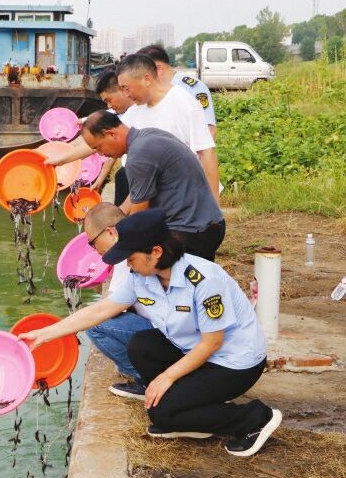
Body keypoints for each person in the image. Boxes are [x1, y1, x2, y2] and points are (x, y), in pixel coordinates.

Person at [18, 209, 281, 457]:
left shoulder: (204, 280)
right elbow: (100, 311)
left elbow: (212, 343)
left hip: (234, 363)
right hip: (193, 350)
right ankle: (188, 411)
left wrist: (167, 377)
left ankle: (254, 418)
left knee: (161, 414)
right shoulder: (141, 277)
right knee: (141, 346)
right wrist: (44, 335)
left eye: (131, 259)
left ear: (155, 252)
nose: (128, 266)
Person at [82, 110, 225, 261]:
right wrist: (112, 218)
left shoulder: (138, 158)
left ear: (110, 134)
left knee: (144, 261)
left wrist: (111, 250)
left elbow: (138, 222)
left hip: (193, 233)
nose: (100, 154)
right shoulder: (148, 135)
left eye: (98, 147)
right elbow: (138, 194)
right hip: (211, 222)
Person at [115, 53, 220, 201]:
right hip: (150, 194)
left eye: (126, 88)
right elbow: (110, 134)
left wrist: (214, 203)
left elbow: (207, 152)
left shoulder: (183, 103)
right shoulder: (135, 111)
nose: (125, 94)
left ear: (146, 79)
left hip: (182, 195)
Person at [84, 203, 153, 399]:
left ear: (110, 232)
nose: (94, 249)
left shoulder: (127, 254)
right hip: (171, 328)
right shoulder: (142, 239)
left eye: (92, 243)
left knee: (94, 325)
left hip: (165, 332)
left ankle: (146, 378)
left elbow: (108, 308)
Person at [137, 44, 217, 139]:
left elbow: (209, 130)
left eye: (141, 74)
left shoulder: (192, 88)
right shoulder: (148, 92)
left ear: (158, 69)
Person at [89, 70, 134, 204]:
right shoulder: (125, 113)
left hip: (133, 174)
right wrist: (100, 179)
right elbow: (113, 151)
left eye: (109, 100)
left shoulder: (130, 118)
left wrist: (60, 160)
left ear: (122, 90)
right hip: (126, 173)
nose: (109, 105)